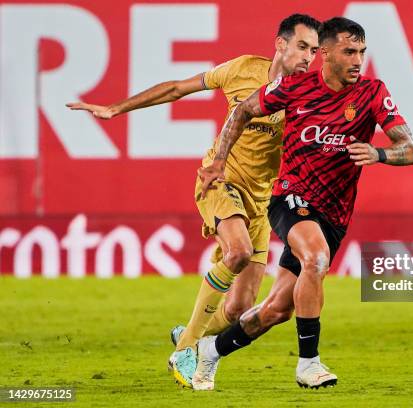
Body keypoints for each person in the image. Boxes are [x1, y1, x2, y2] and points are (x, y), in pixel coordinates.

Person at [66, 14, 321, 389]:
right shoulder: (241, 70)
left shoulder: (309, 95)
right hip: (220, 180)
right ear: (280, 44)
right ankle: (186, 349)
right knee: (236, 253)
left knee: (237, 309)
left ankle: (189, 331)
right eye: (302, 47)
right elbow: (176, 89)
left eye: (314, 51)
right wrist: (116, 109)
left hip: (263, 200)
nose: (308, 57)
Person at [195, 17, 413, 390]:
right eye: (349, 52)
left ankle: (210, 350)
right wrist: (219, 159)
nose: (357, 61)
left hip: (335, 213)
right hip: (290, 197)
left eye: (362, 52)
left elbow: (409, 149)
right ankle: (308, 364)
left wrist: (379, 154)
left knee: (278, 309)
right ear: (325, 53)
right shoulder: (294, 88)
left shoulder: (373, 93)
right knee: (315, 257)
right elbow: (243, 111)